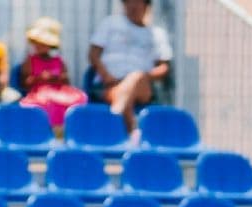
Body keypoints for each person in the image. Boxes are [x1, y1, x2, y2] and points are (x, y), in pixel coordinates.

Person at [88, 0, 168, 131]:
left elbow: (164, 68)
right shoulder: (110, 24)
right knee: (124, 96)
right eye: (128, 2)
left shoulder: (157, 34)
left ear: (146, 5)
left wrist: (144, 76)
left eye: (137, 2)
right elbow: (93, 54)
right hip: (109, 85)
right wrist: (106, 75)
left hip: (143, 87)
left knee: (136, 77)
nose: (132, 6)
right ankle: (131, 134)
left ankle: (115, 117)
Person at [18, 16, 83, 130]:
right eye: (37, 42)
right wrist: (40, 78)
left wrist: (57, 78)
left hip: (60, 93)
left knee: (81, 98)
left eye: (43, 43)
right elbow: (25, 83)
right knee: (48, 101)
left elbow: (67, 81)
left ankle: (64, 131)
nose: (38, 45)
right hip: (39, 94)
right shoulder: (29, 61)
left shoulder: (59, 61)